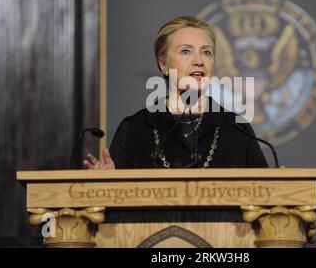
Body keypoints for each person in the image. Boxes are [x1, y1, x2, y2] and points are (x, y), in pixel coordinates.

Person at [83, 16, 268, 170]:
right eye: (186, 51)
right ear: (163, 64)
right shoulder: (136, 128)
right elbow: (116, 200)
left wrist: (278, 184)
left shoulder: (237, 128)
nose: (199, 61)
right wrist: (109, 181)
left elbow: (264, 193)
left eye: (207, 53)